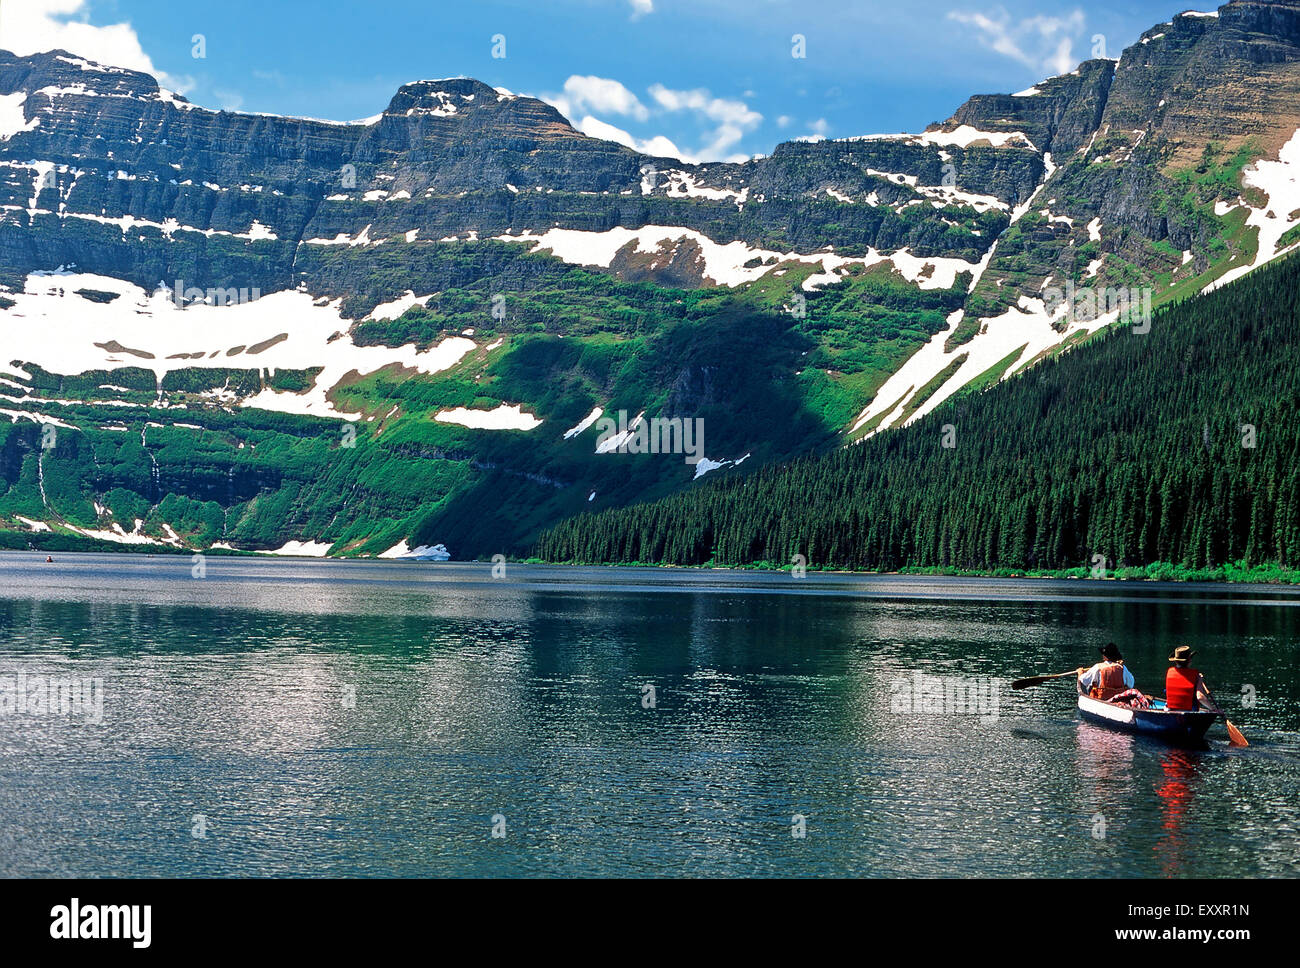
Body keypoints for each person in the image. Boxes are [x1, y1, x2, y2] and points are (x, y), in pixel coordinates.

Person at [1164, 646, 1221, 712]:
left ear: (1176, 661)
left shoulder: (1169, 671)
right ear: (1189, 660)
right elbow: (1200, 697)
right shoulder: (1195, 675)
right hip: (1189, 711)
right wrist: (1214, 709)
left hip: (1170, 710)